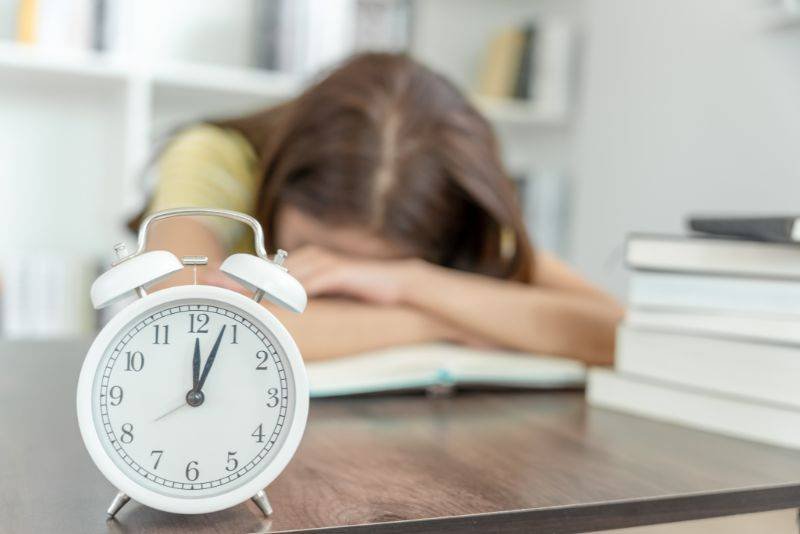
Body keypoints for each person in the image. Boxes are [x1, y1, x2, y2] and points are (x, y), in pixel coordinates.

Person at [141, 53, 623, 364]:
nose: (337, 277)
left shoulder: (454, 209)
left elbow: (619, 334)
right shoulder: (218, 157)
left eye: (373, 265)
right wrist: (441, 318)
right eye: (312, 248)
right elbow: (188, 321)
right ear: (281, 181)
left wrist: (410, 282)